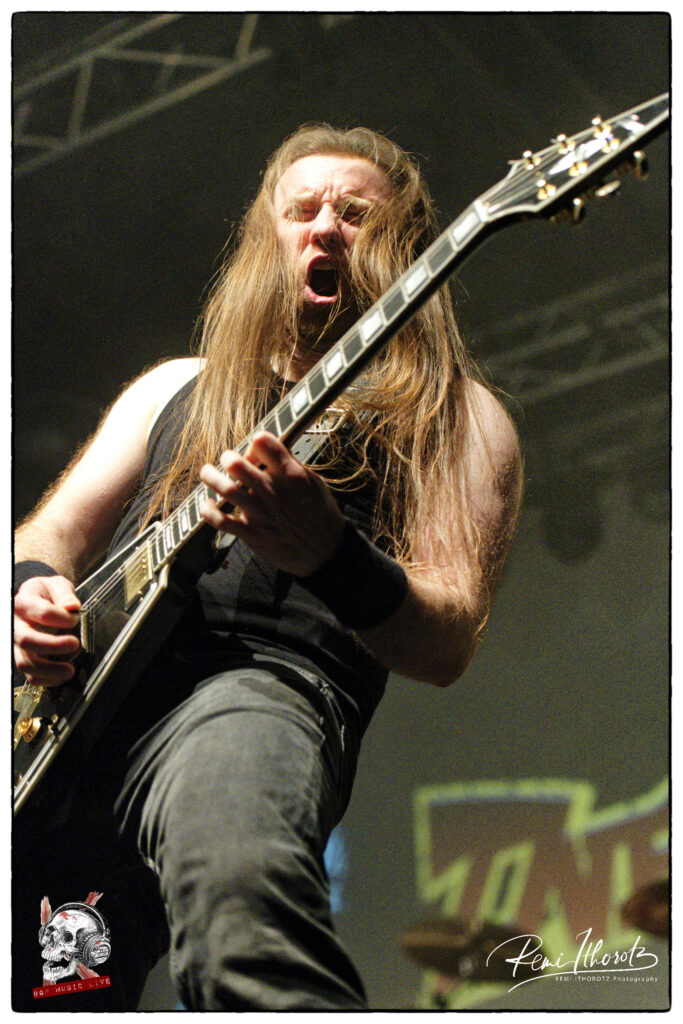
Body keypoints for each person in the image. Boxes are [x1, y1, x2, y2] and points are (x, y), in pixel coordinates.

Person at [12, 125, 523, 1010]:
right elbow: (50, 530)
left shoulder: (455, 413)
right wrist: (32, 595)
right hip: (65, 722)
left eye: (354, 213)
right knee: (60, 992)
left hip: (252, 693)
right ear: (268, 239)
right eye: (302, 209)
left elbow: (446, 643)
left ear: (402, 245)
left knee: (240, 909)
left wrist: (329, 553)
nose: (325, 226)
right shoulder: (174, 384)